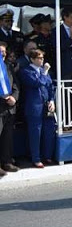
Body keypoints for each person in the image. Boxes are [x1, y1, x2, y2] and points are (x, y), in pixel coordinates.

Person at [19, 49, 56, 168]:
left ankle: (47, 155)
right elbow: (36, 83)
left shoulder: (43, 71)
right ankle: (36, 158)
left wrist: (52, 100)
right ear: (32, 59)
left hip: (46, 105)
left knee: (49, 131)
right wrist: (44, 72)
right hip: (34, 106)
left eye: (42, 58)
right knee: (35, 133)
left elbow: (50, 86)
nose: (42, 60)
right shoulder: (25, 71)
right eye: (39, 58)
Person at [0, 42, 20, 176]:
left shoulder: (8, 66)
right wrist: (4, 97)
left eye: (4, 51)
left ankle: (6, 162)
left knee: (7, 137)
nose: (3, 53)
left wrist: (14, 97)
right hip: (0, 105)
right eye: (0, 51)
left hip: (9, 107)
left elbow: (16, 85)